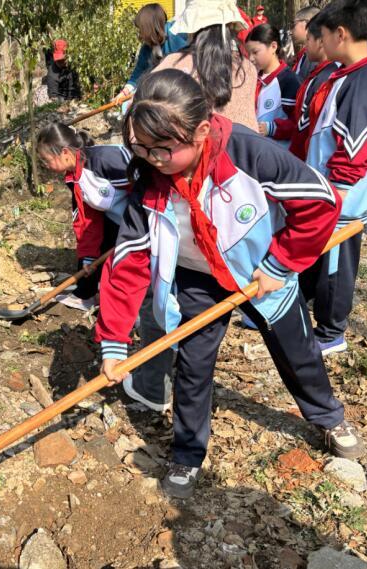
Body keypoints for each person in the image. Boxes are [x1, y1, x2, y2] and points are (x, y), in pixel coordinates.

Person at [95, 69, 364, 499]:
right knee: (194, 367)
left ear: (201, 131)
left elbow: (320, 202)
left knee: (298, 352)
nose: (153, 159)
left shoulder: (249, 154)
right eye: (140, 148)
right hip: (198, 278)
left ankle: (328, 416)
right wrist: (112, 340)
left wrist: (280, 264)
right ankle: (187, 454)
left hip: (262, 272)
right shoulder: (148, 177)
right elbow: (128, 262)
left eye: (163, 149)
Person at [125, 0, 257, 413]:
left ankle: (153, 385)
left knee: (157, 290)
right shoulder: (245, 68)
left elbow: (146, 130)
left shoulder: (176, 68)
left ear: (192, 30)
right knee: (208, 294)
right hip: (234, 203)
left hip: (179, 198)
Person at [298, 0, 367, 356]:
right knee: (319, 260)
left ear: (341, 33)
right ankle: (307, 309)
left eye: (321, 36)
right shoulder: (346, 74)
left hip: (344, 199)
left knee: (336, 267)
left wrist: (337, 192)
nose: (319, 44)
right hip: (329, 192)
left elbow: (357, 147)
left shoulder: (364, 81)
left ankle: (331, 331)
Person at [36, 123, 131, 311]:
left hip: (144, 219)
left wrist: (135, 231)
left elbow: (147, 192)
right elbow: (87, 219)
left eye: (47, 160)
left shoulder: (106, 160)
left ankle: (135, 313)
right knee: (93, 256)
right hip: (115, 220)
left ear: (64, 152)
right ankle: (89, 296)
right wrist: (88, 258)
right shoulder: (74, 178)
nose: (46, 166)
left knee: (128, 268)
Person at [115, 3, 189, 104]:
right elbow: (138, 73)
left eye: (141, 29)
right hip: (165, 90)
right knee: (127, 106)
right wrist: (124, 92)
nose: (139, 34)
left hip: (184, 90)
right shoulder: (147, 48)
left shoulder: (176, 36)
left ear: (149, 28)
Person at [287, 15, 338, 159]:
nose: (306, 45)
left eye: (308, 39)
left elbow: (305, 126)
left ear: (321, 42)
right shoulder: (320, 73)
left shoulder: (325, 77)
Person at [246, 24, 300, 148]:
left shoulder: (288, 81)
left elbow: (297, 123)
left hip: (278, 152)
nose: (251, 58)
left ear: (273, 47)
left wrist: (272, 128)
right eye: (248, 53)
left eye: (255, 52)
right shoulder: (253, 78)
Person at [291, 5, 321, 81]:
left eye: (294, 24)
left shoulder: (315, 57)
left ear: (308, 23)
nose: (291, 31)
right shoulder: (304, 55)